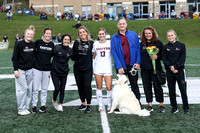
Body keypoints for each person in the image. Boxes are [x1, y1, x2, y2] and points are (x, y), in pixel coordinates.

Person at [111, 17, 141, 101]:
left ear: (126, 24)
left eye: (123, 23)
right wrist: (119, 66)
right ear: (117, 25)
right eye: (120, 24)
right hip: (121, 66)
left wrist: (138, 62)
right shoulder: (114, 38)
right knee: (120, 86)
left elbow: (138, 48)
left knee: (134, 84)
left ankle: (137, 102)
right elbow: (114, 53)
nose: (122, 25)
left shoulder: (133, 34)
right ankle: (120, 104)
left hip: (132, 65)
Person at [162, 29, 189, 114]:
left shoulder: (181, 45)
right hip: (170, 72)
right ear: (167, 37)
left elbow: (182, 59)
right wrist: (171, 67)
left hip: (180, 71)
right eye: (169, 36)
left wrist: (176, 67)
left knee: (183, 90)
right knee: (171, 90)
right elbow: (164, 59)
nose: (170, 37)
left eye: (172, 35)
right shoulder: (165, 47)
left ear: (175, 36)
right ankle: (174, 107)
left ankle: (186, 108)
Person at [11, 25, 36, 115]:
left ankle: (26, 107)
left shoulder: (33, 44)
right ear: (25, 34)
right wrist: (15, 69)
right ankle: (20, 109)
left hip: (30, 70)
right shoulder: (19, 44)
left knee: (29, 89)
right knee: (23, 88)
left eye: (31, 34)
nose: (29, 35)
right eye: (28, 34)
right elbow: (14, 57)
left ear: (33, 35)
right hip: (20, 70)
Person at [140, 26, 165, 112]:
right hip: (144, 69)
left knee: (157, 86)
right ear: (144, 34)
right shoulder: (142, 44)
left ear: (153, 33)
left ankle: (161, 104)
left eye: (149, 33)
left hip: (155, 69)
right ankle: (149, 104)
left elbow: (164, 55)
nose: (148, 35)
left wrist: (157, 56)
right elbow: (139, 55)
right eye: (146, 33)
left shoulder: (158, 43)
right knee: (147, 86)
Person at [71, 26, 94, 113]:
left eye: (83, 32)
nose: (82, 34)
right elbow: (73, 55)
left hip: (87, 68)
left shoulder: (91, 43)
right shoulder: (76, 43)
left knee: (87, 86)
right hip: (77, 68)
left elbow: (94, 53)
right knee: (80, 86)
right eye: (80, 32)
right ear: (79, 34)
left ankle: (88, 104)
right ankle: (83, 103)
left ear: (86, 32)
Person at [32, 28, 54, 113]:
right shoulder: (38, 42)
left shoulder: (52, 45)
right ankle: (34, 105)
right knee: (35, 89)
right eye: (47, 33)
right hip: (37, 68)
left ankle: (43, 105)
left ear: (51, 35)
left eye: (50, 34)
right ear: (44, 34)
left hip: (47, 70)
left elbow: (52, 55)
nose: (48, 35)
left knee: (44, 89)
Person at [92, 28, 112, 112]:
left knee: (108, 87)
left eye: (103, 33)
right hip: (98, 68)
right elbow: (93, 54)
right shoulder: (95, 44)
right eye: (100, 34)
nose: (101, 35)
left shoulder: (110, 43)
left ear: (105, 34)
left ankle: (110, 105)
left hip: (107, 67)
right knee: (99, 87)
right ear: (98, 35)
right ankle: (100, 105)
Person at [51, 34, 72, 112]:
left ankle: (60, 104)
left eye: (68, 39)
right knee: (57, 88)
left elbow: (75, 57)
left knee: (62, 88)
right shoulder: (56, 47)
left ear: (70, 41)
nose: (66, 41)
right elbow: (49, 55)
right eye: (65, 39)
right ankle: (54, 100)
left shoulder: (70, 50)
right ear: (62, 40)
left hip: (64, 72)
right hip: (55, 71)